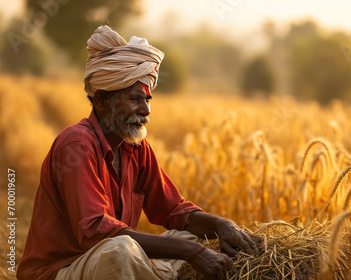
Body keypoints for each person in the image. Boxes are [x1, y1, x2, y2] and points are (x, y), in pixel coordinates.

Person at [18, 25, 259, 280]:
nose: (146, 110)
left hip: (109, 266)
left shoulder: (136, 148)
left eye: (148, 100)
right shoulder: (77, 144)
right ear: (101, 99)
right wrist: (192, 253)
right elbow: (96, 232)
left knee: (192, 234)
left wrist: (221, 225)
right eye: (135, 99)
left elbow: (174, 211)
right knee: (120, 251)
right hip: (60, 271)